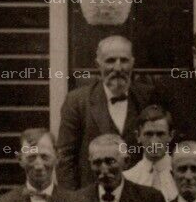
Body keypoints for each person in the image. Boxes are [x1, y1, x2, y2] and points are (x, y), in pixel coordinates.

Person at [56, 35, 155, 189]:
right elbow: (65, 158)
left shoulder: (147, 98)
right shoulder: (77, 101)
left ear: (132, 63)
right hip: (92, 198)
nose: (118, 68)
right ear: (98, 64)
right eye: (110, 61)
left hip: (139, 196)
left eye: (124, 60)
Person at [122, 104, 177, 202]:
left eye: (160, 134)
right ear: (138, 136)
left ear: (171, 135)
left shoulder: (181, 176)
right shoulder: (127, 178)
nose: (154, 142)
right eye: (148, 134)